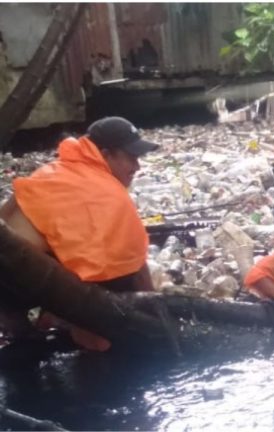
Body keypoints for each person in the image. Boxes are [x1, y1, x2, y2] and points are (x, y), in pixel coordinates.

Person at [0, 116, 160, 351]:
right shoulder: (102, 193)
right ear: (105, 154)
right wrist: (156, 309)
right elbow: (113, 270)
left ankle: (24, 329)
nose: (137, 166)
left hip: (11, 281)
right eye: (131, 157)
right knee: (102, 342)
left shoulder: (59, 171)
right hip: (18, 272)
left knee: (24, 342)